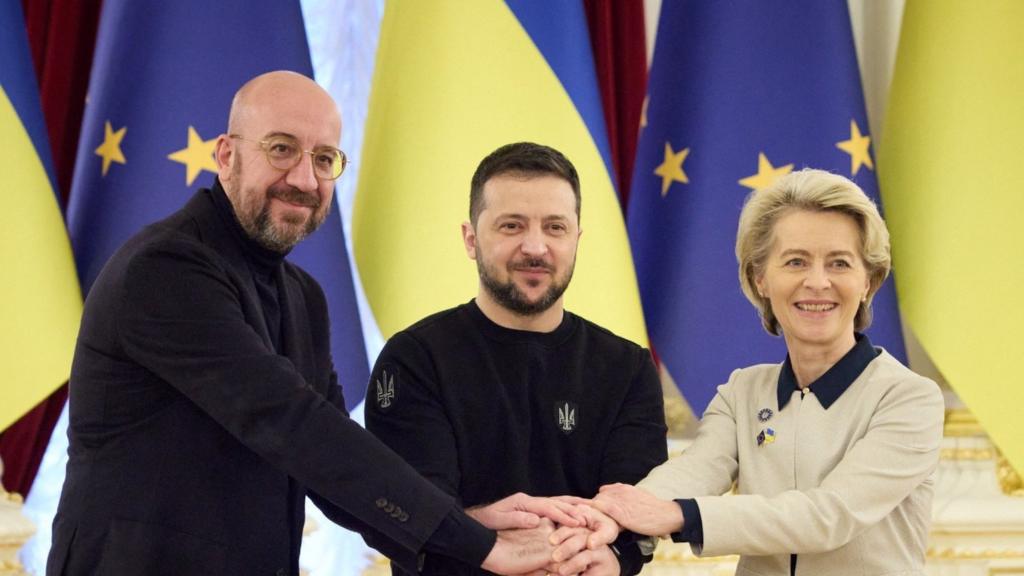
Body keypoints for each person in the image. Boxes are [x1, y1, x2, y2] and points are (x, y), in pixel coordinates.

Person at [46, 71, 584, 576]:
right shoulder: (165, 268)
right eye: (281, 149)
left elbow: (331, 461)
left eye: (324, 158)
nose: (304, 178)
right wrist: (477, 544)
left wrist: (461, 524)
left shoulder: (304, 297)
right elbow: (294, 426)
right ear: (226, 155)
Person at [586, 169, 945, 575]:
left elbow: (829, 516)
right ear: (761, 279)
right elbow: (695, 470)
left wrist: (680, 515)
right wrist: (612, 521)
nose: (817, 282)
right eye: (795, 261)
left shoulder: (910, 398)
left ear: (869, 280)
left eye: (840, 263)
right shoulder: (743, 391)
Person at [364, 142, 668, 575]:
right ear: (471, 239)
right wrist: (484, 538)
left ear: (577, 239)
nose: (535, 247)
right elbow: (406, 518)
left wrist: (608, 556)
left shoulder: (628, 367)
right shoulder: (413, 359)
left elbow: (634, 520)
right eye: (512, 226)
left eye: (555, 228)